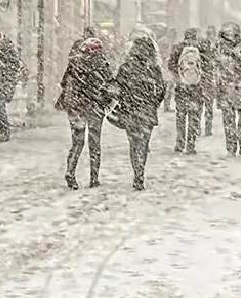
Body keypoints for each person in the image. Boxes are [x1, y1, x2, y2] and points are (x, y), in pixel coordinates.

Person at [58, 36, 114, 189]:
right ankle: (94, 178)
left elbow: (64, 82)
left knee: (77, 142)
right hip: (95, 106)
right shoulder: (102, 63)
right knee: (95, 143)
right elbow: (109, 85)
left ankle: (70, 172)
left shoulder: (75, 62)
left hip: (76, 106)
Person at [111, 36, 167, 189]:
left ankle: (137, 171)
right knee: (143, 144)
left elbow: (117, 89)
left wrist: (124, 100)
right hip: (147, 111)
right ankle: (140, 172)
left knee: (133, 144)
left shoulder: (126, 67)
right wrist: (154, 103)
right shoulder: (154, 68)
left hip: (130, 111)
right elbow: (162, 89)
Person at [215, 23, 241, 156]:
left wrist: (235, 55)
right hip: (225, 89)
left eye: (228, 35)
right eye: (223, 36)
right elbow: (214, 67)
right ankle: (231, 146)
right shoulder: (219, 47)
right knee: (228, 120)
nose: (225, 39)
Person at [168, 28, 205, 153]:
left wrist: (179, 78)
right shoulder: (201, 48)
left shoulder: (178, 47)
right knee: (194, 116)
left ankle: (180, 143)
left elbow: (171, 65)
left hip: (181, 88)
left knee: (181, 116)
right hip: (196, 87)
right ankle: (191, 144)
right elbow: (207, 67)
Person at [200, 26, 219, 137]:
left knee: (199, 106)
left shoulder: (200, 45)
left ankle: (197, 127)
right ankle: (208, 128)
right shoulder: (216, 46)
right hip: (209, 80)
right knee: (208, 106)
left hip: (201, 79)